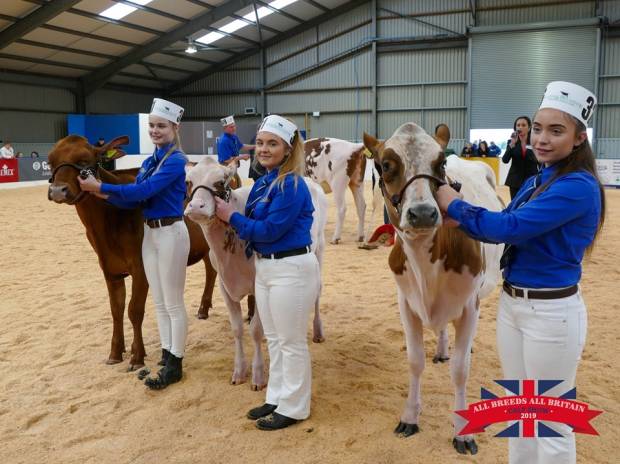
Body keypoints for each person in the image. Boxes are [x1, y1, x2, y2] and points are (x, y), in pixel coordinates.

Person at [436, 81, 605, 464]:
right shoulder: (535, 181)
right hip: (514, 306)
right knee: (521, 410)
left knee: (551, 421)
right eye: (539, 128)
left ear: (579, 138)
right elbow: (500, 222)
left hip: (551, 314)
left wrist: (455, 205)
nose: (542, 139)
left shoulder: (578, 187)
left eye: (556, 131)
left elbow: (507, 229)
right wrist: (464, 221)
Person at [214, 114, 320, 431]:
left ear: (288, 150)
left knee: (291, 342)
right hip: (266, 267)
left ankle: (295, 407)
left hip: (291, 268)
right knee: (274, 338)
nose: (263, 149)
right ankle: (276, 397)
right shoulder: (263, 182)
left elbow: (269, 230)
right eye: (260, 143)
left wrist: (229, 216)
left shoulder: (292, 184)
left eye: (272, 144)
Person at [78, 98, 190, 391]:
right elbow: (134, 197)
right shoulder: (152, 160)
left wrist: (100, 187)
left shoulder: (176, 161)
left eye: (161, 126)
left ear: (174, 128)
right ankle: (166, 356)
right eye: (152, 125)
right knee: (160, 301)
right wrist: (101, 195)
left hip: (171, 232)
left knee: (174, 302)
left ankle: (175, 363)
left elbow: (145, 189)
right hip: (150, 233)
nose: (155, 130)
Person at [502, 115, 539, 199]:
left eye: (523, 125)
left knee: (529, 204)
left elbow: (540, 162)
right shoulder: (511, 142)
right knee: (515, 205)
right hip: (515, 181)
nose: (520, 127)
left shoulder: (535, 142)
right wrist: (512, 145)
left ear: (529, 128)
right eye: (518, 125)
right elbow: (505, 160)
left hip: (531, 180)